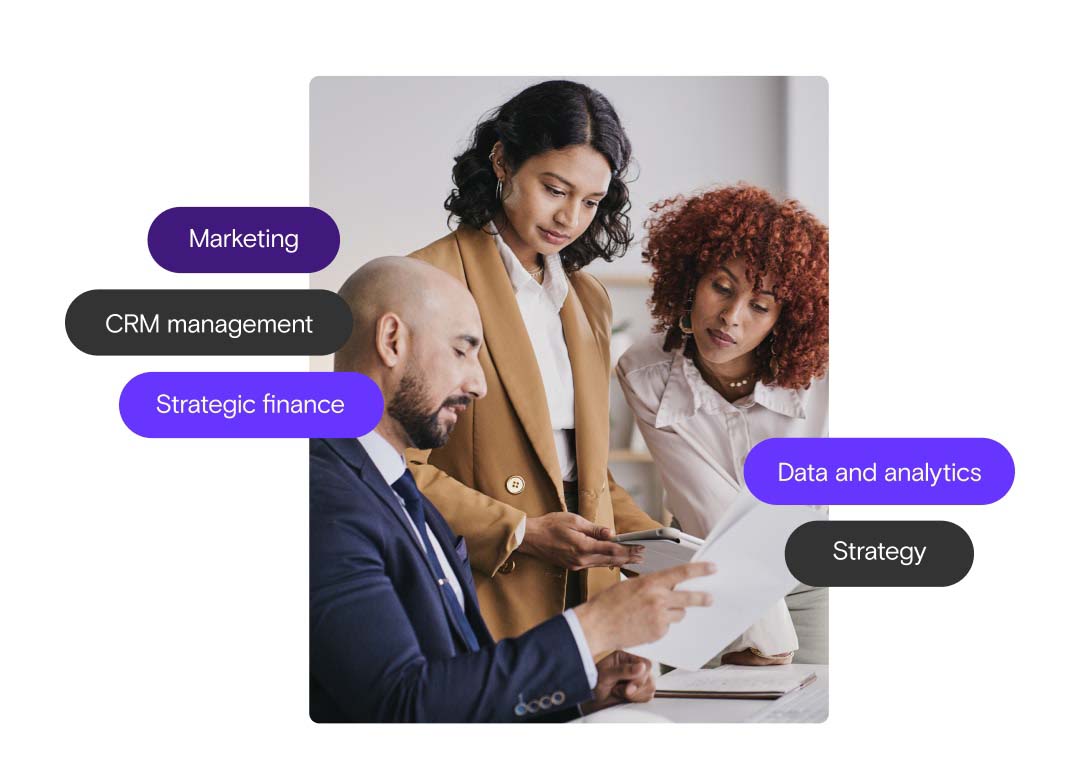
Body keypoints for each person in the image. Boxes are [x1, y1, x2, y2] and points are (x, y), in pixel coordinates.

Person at [310, 257, 715, 722]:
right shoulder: (322, 500)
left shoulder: (401, 492)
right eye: (462, 351)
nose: (479, 384)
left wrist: (577, 696)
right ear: (392, 341)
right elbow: (401, 708)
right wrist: (593, 628)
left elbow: (452, 694)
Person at [407, 80, 662, 641]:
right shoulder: (425, 284)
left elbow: (583, 474)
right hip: (481, 588)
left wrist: (667, 548)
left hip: (586, 596)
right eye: (554, 189)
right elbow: (387, 467)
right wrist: (520, 531)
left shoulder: (588, 299)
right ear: (502, 160)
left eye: (591, 202)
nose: (569, 217)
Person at [616, 185, 829, 665]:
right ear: (691, 279)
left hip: (810, 567)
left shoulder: (823, 379)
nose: (731, 317)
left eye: (760, 306)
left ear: (784, 319)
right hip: (706, 561)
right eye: (722, 287)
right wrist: (765, 640)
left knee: (814, 697)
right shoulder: (645, 372)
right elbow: (705, 504)